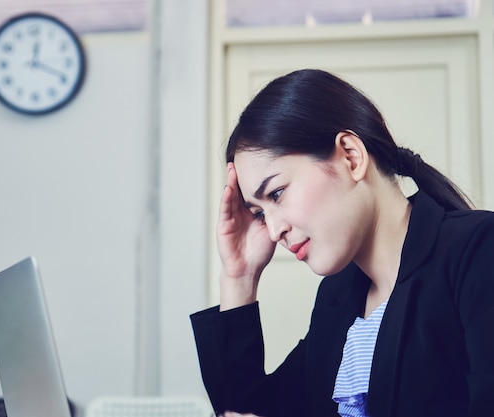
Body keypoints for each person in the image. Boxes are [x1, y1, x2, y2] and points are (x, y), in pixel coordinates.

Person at [190, 69, 494, 417]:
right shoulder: (337, 299)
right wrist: (239, 277)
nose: (273, 231)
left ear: (351, 156)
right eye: (258, 213)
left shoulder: (478, 249)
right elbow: (249, 410)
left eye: (276, 193)